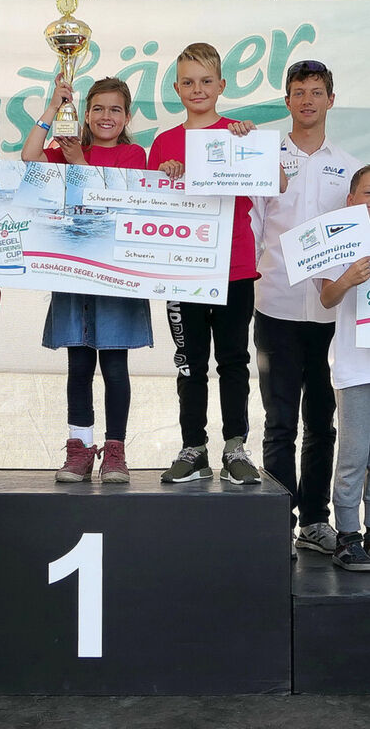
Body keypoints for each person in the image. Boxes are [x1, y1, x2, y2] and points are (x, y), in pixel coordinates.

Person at [250, 60, 360, 554]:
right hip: (275, 305)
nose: (308, 100)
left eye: (317, 92)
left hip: (333, 313)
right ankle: (278, 520)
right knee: (279, 423)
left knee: (321, 422)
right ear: (287, 101)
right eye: (299, 92)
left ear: (331, 100)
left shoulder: (350, 166)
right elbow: (252, 226)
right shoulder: (265, 159)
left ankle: (315, 521)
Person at [21, 76, 152, 483]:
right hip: (74, 274)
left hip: (116, 278)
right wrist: (53, 107)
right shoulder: (66, 148)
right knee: (78, 366)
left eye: (115, 109)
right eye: (97, 108)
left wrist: (78, 162)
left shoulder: (133, 154)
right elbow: (28, 157)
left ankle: (115, 452)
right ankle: (79, 449)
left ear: (127, 116)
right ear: (85, 114)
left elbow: (116, 201)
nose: (106, 116)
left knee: (114, 366)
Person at [148, 42, 261, 485]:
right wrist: (163, 176)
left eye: (206, 81)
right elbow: (147, 205)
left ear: (221, 85)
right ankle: (193, 448)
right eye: (189, 82)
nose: (198, 89)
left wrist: (250, 145)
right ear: (177, 88)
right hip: (183, 271)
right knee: (189, 363)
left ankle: (235, 447)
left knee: (233, 361)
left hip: (234, 267)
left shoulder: (240, 133)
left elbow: (278, 181)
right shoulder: (163, 142)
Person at [319, 166, 370, 570]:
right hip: (355, 367)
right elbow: (327, 298)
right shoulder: (339, 240)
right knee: (354, 454)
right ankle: (348, 535)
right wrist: (349, 277)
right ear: (351, 199)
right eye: (368, 193)